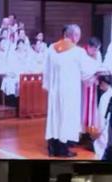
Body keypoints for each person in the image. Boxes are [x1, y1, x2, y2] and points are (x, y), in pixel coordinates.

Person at [43, 24, 106, 157]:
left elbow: (46, 71)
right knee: (66, 119)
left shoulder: (51, 48)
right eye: (78, 35)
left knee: (55, 118)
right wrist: (101, 69)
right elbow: (88, 70)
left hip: (55, 91)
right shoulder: (77, 52)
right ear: (75, 36)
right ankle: (62, 149)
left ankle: (52, 146)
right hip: (69, 92)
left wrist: (49, 87)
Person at [82, 37, 104, 136]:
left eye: (98, 49)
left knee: (91, 109)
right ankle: (80, 132)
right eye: (95, 49)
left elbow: (99, 66)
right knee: (82, 108)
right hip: (83, 86)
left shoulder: (98, 54)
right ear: (89, 47)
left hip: (93, 84)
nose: (96, 52)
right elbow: (82, 69)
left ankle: (88, 132)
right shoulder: (82, 53)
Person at [94, 75, 112, 159]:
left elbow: (102, 118)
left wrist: (98, 133)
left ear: (104, 83)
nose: (100, 87)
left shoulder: (105, 97)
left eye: (100, 84)